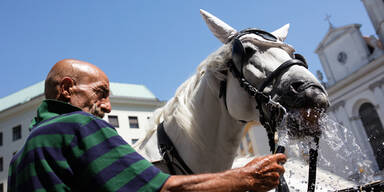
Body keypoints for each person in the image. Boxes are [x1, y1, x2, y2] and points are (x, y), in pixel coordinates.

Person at [8, 59, 286, 192]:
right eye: (101, 93)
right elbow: (160, 189)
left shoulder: (19, 158)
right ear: (68, 89)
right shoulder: (79, 126)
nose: (107, 106)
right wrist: (244, 178)